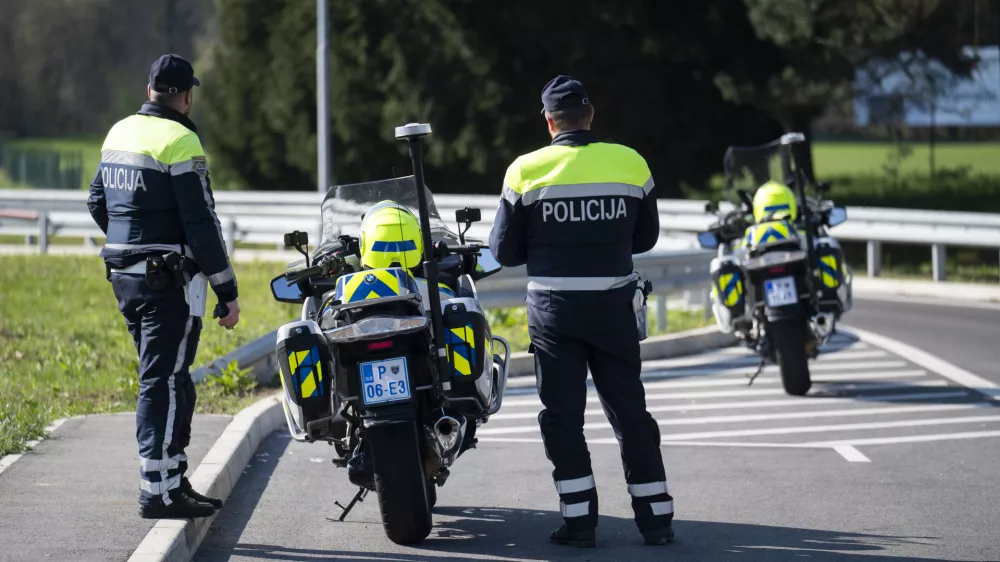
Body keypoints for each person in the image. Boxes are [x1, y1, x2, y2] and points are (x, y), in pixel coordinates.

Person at [488, 75, 673, 547]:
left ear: (549, 122)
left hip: (554, 312)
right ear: (590, 115)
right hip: (614, 304)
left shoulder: (524, 171)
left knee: (563, 417)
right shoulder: (630, 163)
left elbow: (504, 253)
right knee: (631, 411)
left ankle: (580, 523)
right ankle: (656, 521)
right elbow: (646, 239)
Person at [87, 54, 240, 519]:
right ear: (187, 96)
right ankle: (158, 491)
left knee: (172, 380)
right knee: (163, 381)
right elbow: (200, 221)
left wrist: (128, 242)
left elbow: (97, 201)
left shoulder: (119, 131)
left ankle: (172, 477)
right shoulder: (181, 139)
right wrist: (226, 289)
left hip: (125, 278)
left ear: (150, 88)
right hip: (165, 281)